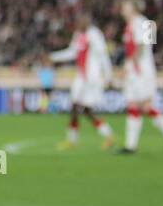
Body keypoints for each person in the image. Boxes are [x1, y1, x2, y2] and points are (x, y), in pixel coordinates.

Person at [118, 0, 163, 155]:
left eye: (125, 5)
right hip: (134, 69)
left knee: (146, 105)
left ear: (134, 7)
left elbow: (142, 47)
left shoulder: (142, 22)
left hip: (142, 70)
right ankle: (130, 145)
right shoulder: (132, 25)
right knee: (132, 105)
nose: (122, 8)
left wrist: (129, 65)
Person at [48, 11, 114, 151]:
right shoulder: (78, 35)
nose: (78, 24)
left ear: (87, 21)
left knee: (85, 110)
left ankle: (106, 136)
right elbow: (72, 52)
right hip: (81, 77)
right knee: (77, 108)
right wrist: (53, 57)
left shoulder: (95, 34)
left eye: (81, 21)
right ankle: (74, 140)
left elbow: (103, 56)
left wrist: (108, 76)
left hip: (92, 78)